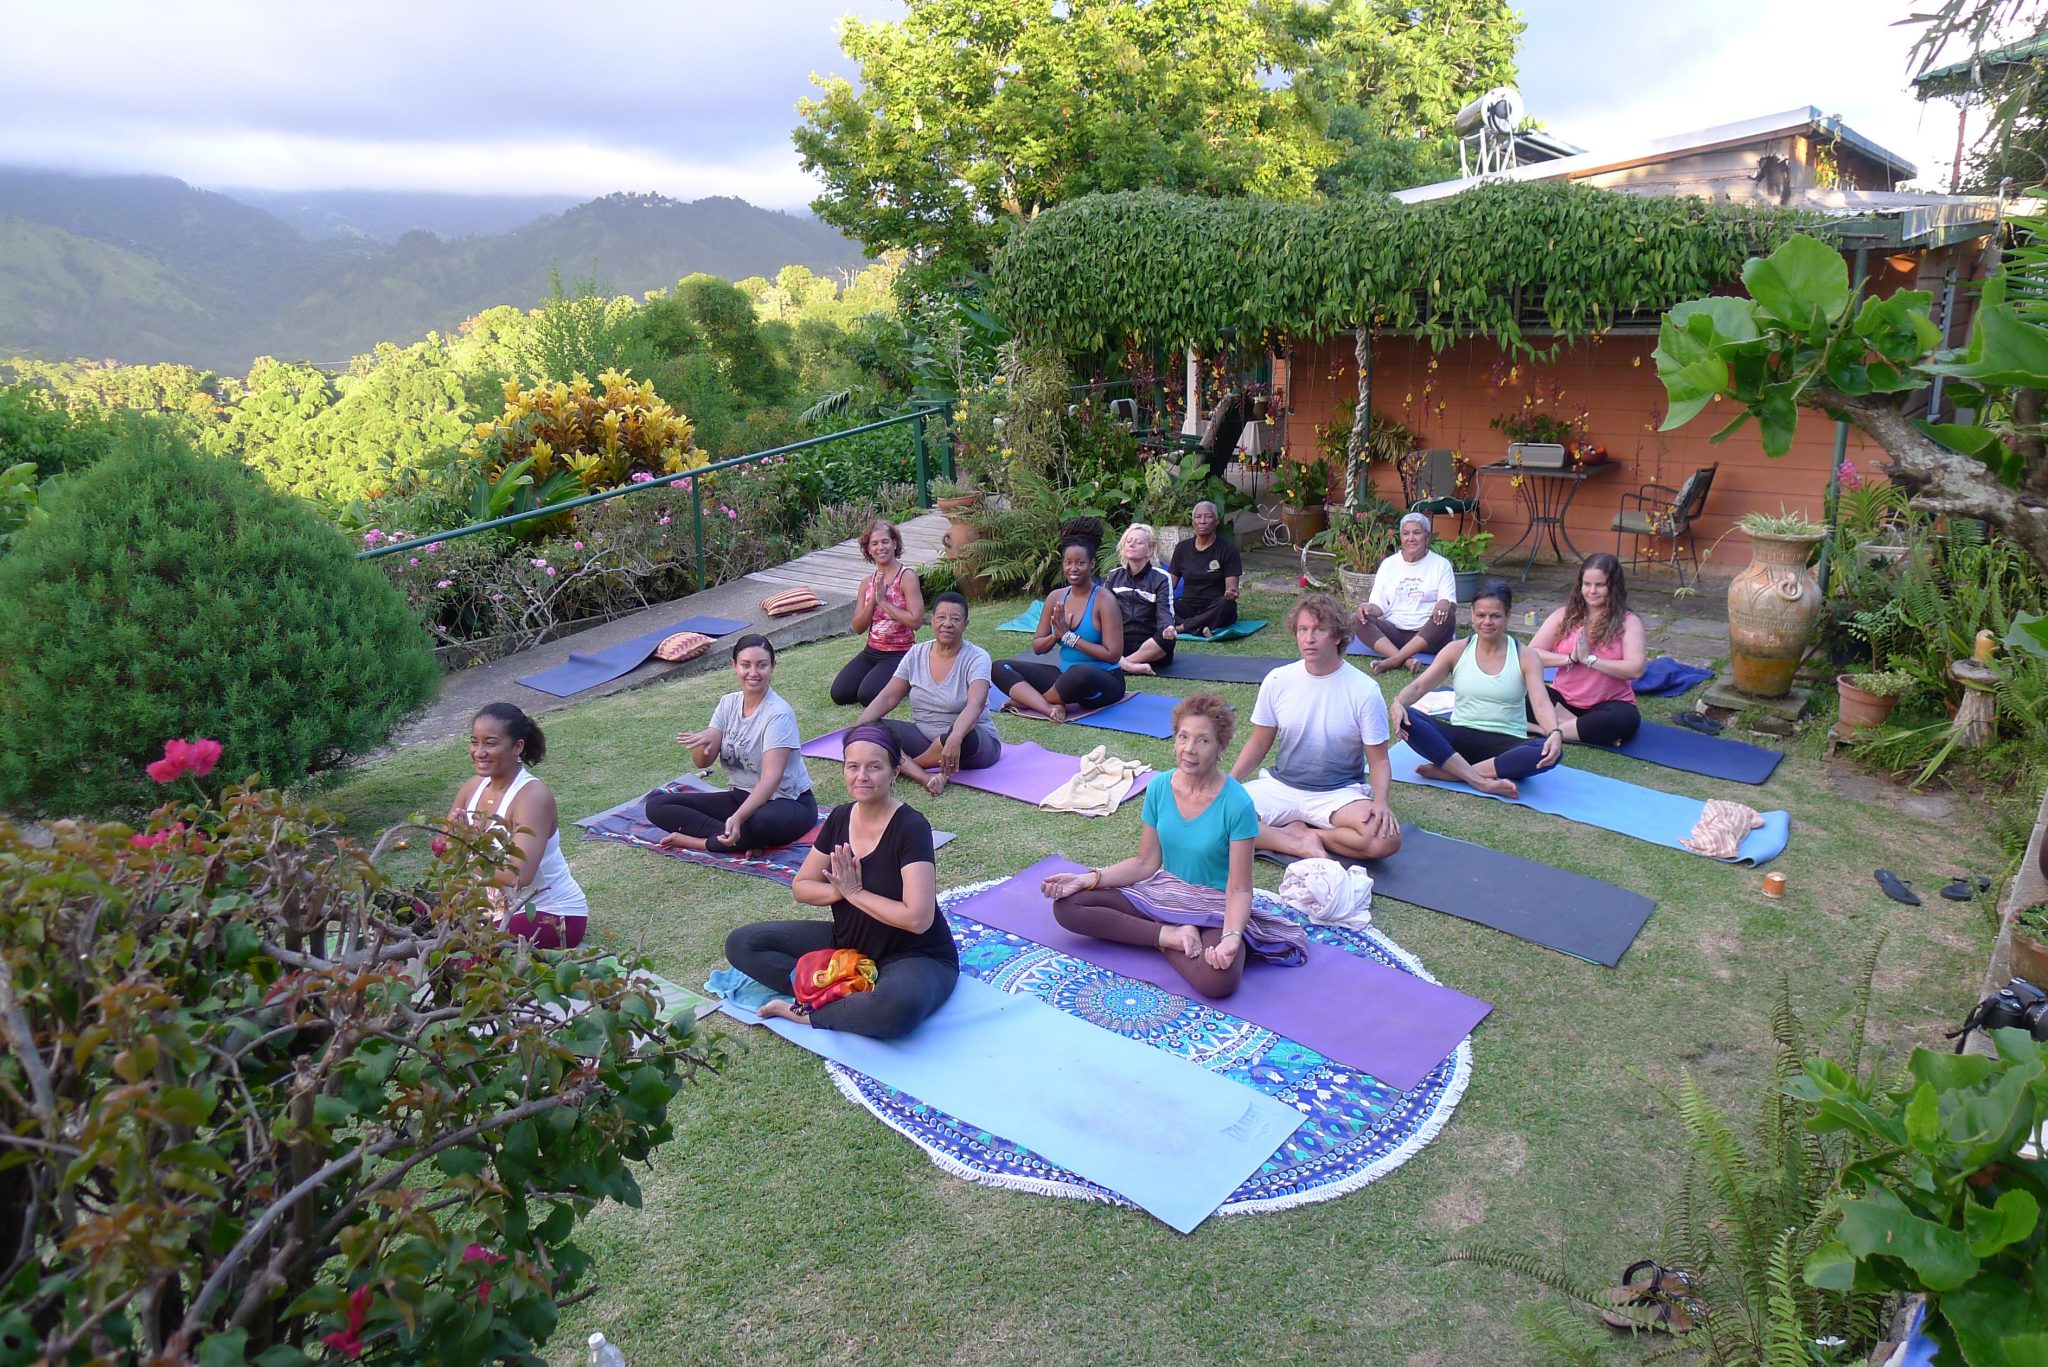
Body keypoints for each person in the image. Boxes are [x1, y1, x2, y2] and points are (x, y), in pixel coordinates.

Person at [1042, 695, 1286, 997]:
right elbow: (1146, 862)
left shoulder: (1237, 803)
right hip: (1165, 893)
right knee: (1069, 905)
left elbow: (1238, 889)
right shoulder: (1159, 786)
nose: (1189, 749)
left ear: (1221, 748)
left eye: (1203, 741)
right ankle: (1170, 936)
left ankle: (1158, 934)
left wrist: (1233, 937)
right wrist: (1087, 879)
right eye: (1183, 737)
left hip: (1214, 906)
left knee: (1218, 980)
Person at [729, 726, 955, 1039]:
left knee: (894, 1010)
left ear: (894, 773)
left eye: (874, 767)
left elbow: (917, 919)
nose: (862, 776)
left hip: (913, 955)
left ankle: (813, 1012)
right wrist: (839, 890)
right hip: (849, 946)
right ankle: (843, 988)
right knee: (743, 943)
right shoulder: (840, 818)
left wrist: (855, 892)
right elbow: (802, 886)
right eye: (853, 766)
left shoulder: (911, 827)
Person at [1229, 593, 1403, 861]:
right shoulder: (1278, 680)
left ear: (1337, 636)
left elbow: (1378, 759)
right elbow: (1259, 742)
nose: (1308, 638)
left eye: (1319, 630)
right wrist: (1231, 782)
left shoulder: (1364, 690)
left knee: (1384, 840)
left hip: (1338, 793)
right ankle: (1296, 843)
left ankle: (1311, 835)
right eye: (1302, 629)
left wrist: (1380, 802)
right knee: (1214, 815)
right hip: (1281, 786)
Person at [1389, 579, 1565, 799]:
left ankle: (1454, 774)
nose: (1487, 622)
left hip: (1506, 745)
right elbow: (1420, 685)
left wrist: (1555, 733)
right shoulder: (1456, 650)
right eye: (1481, 615)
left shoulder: (1526, 656)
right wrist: (1398, 702)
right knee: (1410, 717)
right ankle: (1479, 780)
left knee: (1548, 751)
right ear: (1472, 615)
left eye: (1495, 616)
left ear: (1508, 617)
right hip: (1458, 741)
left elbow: (1540, 702)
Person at [645, 634, 817, 853]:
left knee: (761, 823)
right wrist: (703, 742)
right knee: (657, 805)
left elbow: (770, 780)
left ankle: (699, 840)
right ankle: (738, 837)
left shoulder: (778, 714)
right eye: (746, 665)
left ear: (773, 667)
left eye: (761, 665)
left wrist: (738, 817)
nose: (753, 673)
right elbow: (702, 763)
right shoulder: (728, 704)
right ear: (734, 666)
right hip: (741, 796)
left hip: (786, 801)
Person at [448, 702, 588, 948]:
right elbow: (445, 849)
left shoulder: (531, 797)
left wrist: (464, 849)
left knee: (472, 950)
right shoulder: (472, 787)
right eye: (474, 742)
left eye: (490, 743)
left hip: (551, 914)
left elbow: (518, 875)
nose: (479, 752)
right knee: (419, 913)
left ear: (517, 747)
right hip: (491, 907)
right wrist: (455, 845)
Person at [854, 590, 1002, 796]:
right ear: (932, 621)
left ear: (965, 625)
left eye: (955, 619)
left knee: (962, 737)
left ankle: (903, 764)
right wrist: (861, 726)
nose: (947, 623)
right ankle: (924, 776)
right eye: (941, 617)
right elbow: (889, 696)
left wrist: (955, 737)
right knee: (874, 730)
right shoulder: (916, 653)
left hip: (971, 741)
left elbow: (975, 706)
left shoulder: (977, 657)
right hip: (924, 736)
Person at [989, 525, 1126, 720]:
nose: (1073, 568)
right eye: (1068, 562)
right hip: (1063, 677)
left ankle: (1028, 702)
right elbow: (1037, 647)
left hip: (1101, 681)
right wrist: (1056, 635)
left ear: (1092, 564)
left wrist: (1069, 637)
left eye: (1080, 563)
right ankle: (1048, 707)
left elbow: (1113, 655)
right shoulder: (1056, 597)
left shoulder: (1104, 600)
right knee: (1000, 667)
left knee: (1080, 673)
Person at [1527, 553, 1647, 746]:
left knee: (1623, 720)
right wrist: (1571, 658)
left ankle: (1545, 729)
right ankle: (1575, 730)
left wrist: (1590, 660)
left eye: (1600, 585)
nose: (1592, 591)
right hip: (1562, 701)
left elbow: (1636, 669)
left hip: (1608, 705)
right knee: (1519, 694)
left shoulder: (1629, 622)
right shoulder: (1563, 616)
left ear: (1613, 587)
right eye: (1587, 584)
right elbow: (1531, 654)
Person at [830, 519, 925, 707]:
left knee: (868, 695)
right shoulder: (867, 583)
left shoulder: (906, 577)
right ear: (868, 549)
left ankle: (909, 677)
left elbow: (916, 621)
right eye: (874, 543)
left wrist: (884, 602)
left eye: (885, 541)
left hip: (900, 652)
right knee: (840, 694)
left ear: (894, 543)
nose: (880, 547)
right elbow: (858, 627)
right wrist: (873, 601)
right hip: (872, 651)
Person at [1355, 512, 1458, 675]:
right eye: (1406, 533)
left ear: (1427, 537)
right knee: (1358, 619)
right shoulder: (1388, 565)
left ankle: (1394, 660)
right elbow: (1378, 606)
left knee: (1448, 615)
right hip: (1394, 634)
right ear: (1401, 538)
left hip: (1429, 637)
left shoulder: (1441, 565)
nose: (1411, 538)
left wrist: (1445, 603)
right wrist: (1366, 608)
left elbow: (1448, 601)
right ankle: (1405, 660)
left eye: (1417, 533)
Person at [1106, 523, 1178, 675]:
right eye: (1129, 541)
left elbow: (1164, 611)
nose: (1132, 544)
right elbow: (1103, 611)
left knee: (1167, 639)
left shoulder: (1161, 578)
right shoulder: (1114, 576)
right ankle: (1131, 666)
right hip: (1121, 641)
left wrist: (1167, 627)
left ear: (1150, 550)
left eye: (1138, 542)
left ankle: (1123, 665)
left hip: (1150, 644)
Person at [1167, 500, 1242, 638]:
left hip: (1214, 606)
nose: (1202, 521)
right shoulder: (1182, 548)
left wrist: (1231, 594)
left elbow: (1232, 589)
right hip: (1188, 606)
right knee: (1159, 605)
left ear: (1216, 521)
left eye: (1207, 517)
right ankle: (1198, 629)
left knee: (1227, 605)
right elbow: (1169, 584)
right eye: (1198, 517)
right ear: (1193, 522)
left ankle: (1182, 627)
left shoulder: (1228, 550)